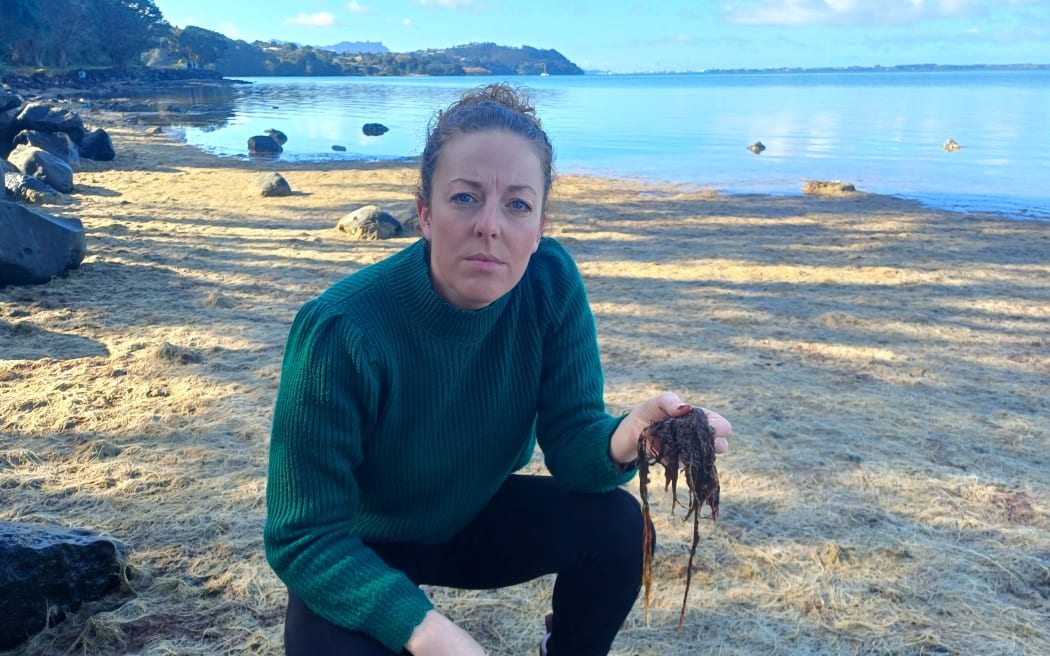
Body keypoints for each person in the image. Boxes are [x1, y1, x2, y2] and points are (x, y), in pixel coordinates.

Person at [264, 82, 732, 656]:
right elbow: (301, 535)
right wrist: (427, 631)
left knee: (618, 526)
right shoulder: (340, 331)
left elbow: (570, 440)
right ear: (424, 213)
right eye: (465, 197)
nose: (491, 225)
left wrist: (626, 436)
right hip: (357, 542)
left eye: (517, 204)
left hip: (471, 516)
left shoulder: (549, 282)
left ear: (537, 228)